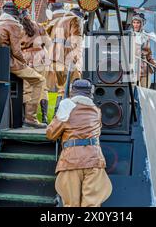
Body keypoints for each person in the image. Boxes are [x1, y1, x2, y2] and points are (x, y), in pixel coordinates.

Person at [46, 79, 112, 207]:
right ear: (90, 94)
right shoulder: (96, 111)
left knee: (71, 205)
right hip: (94, 160)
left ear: (72, 92)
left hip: (71, 161)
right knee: (91, 205)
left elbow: (51, 134)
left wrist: (57, 115)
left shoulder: (67, 108)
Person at [0, 2, 46, 128]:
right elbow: (16, 51)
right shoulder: (14, 24)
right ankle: (30, 118)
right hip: (9, 63)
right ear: (17, 12)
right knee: (39, 80)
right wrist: (25, 63)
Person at [47, 4, 84, 111]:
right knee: (74, 88)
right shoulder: (76, 19)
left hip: (54, 58)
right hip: (67, 58)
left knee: (62, 88)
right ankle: (66, 116)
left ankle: (57, 114)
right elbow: (76, 41)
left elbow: (48, 32)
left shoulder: (59, 20)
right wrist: (76, 59)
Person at [20, 11, 52, 124]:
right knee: (43, 87)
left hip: (25, 57)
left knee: (26, 88)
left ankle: (26, 118)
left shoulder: (19, 27)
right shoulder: (39, 26)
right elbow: (48, 43)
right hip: (41, 56)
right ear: (29, 15)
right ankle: (44, 117)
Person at [131, 13, 156, 87]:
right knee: (134, 91)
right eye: (134, 22)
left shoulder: (146, 37)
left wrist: (155, 64)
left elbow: (149, 56)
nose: (136, 25)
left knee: (145, 92)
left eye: (138, 22)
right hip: (133, 70)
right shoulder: (129, 36)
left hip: (145, 70)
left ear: (141, 24)